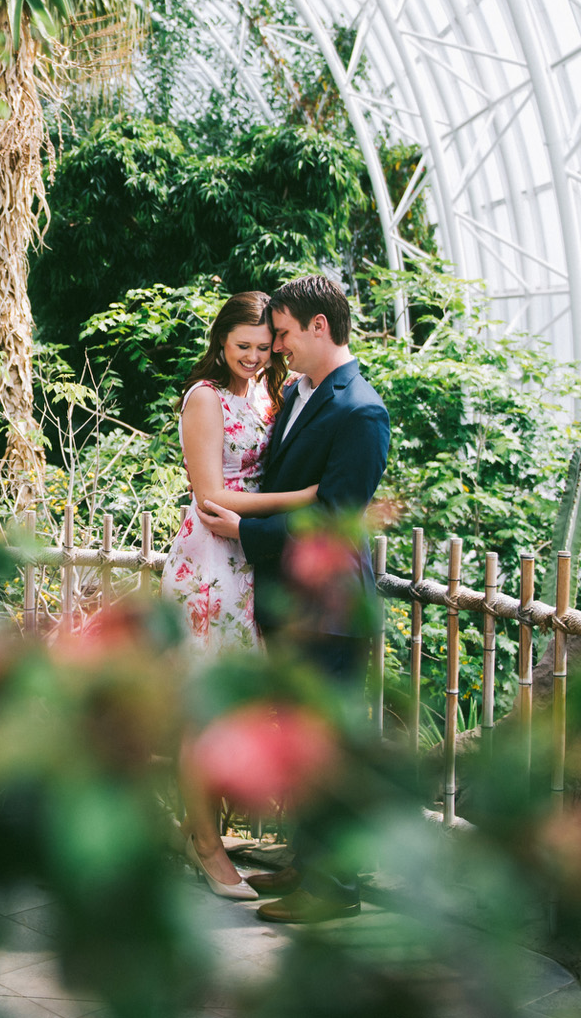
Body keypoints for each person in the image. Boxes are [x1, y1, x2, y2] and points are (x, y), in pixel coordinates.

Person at [197, 273, 390, 924]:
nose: (274, 348)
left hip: (329, 611)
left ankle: (332, 892)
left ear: (318, 327)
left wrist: (248, 532)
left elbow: (334, 516)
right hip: (288, 603)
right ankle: (310, 868)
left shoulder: (360, 408)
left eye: (281, 334)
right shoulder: (304, 393)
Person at [159, 291, 319, 901]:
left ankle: (196, 828)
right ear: (220, 342)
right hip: (211, 562)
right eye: (241, 346)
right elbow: (210, 495)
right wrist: (303, 498)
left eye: (261, 346)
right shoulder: (205, 398)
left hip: (250, 560)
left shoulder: (268, 395)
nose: (253, 357)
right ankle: (204, 844)